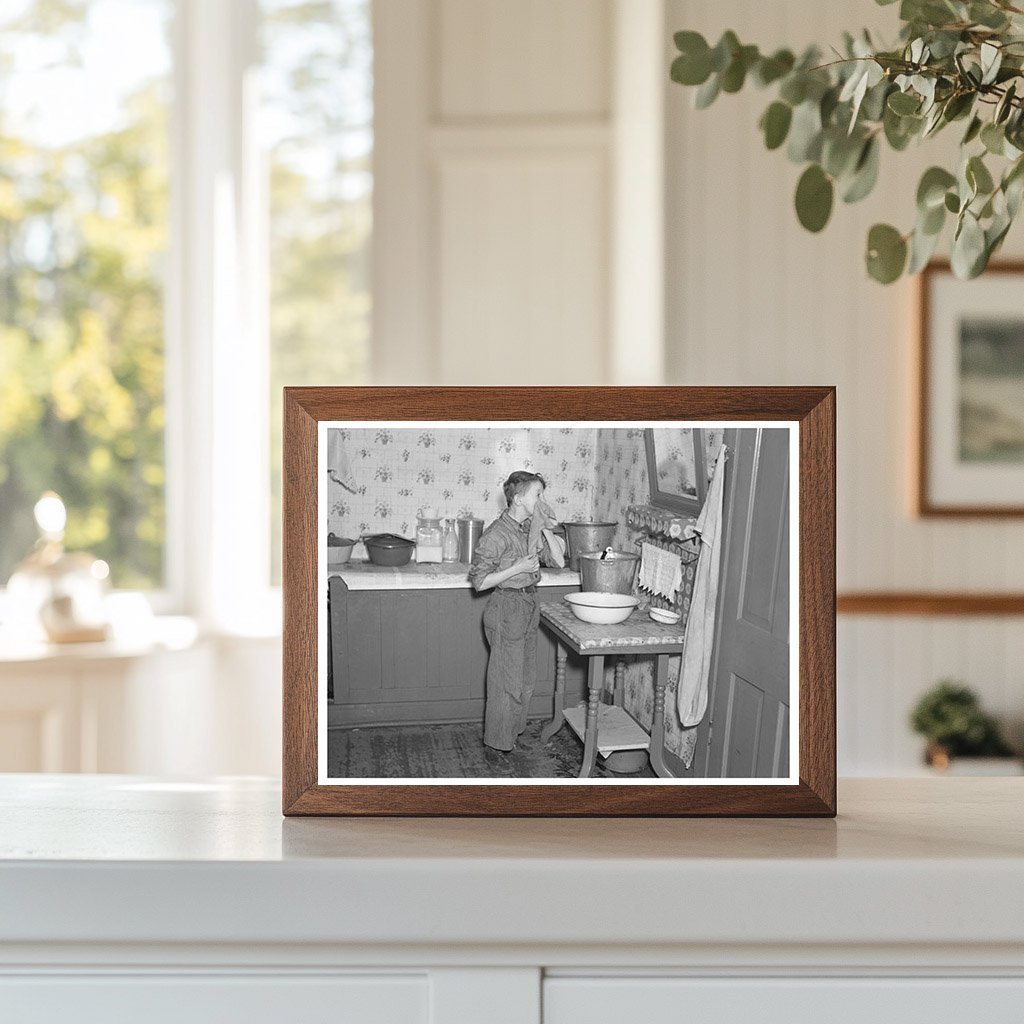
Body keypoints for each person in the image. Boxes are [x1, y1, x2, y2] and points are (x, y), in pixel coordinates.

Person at [469, 471, 559, 753]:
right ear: (519, 499)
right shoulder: (497, 533)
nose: (541, 500)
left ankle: (511, 734)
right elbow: (479, 582)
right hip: (507, 608)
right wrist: (517, 568)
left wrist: (544, 526)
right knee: (506, 683)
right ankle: (498, 746)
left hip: (529, 604)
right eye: (537, 495)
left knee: (525, 680)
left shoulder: (528, 528)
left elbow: (557, 559)